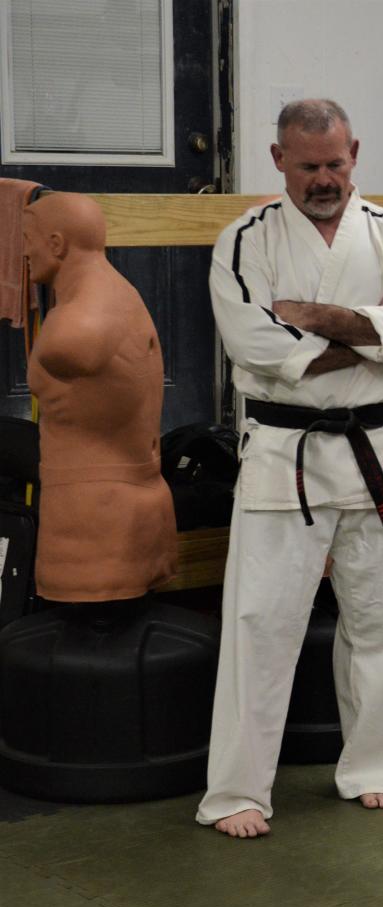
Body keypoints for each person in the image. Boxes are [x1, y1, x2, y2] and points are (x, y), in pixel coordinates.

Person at [196, 99, 383, 837]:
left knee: (381, 617)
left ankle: (374, 764)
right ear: (278, 161)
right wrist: (376, 327)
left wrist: (325, 316)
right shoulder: (244, 242)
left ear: (355, 152)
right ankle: (238, 791)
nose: (324, 179)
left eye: (336, 163)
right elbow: (259, 348)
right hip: (285, 456)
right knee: (260, 623)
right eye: (308, 167)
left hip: (379, 453)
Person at [22, 192, 177, 603]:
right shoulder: (118, 292)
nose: (23, 251)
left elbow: (71, 347)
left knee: (85, 657)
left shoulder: (79, 318)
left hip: (94, 523)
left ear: (56, 244)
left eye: (27, 239)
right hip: (129, 505)